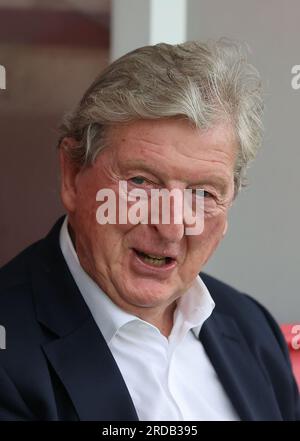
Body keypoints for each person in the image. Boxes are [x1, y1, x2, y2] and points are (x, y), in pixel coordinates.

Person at [0, 40, 299, 421]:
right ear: (73, 176)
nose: (172, 226)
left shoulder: (252, 327)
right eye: (141, 182)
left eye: (203, 193)